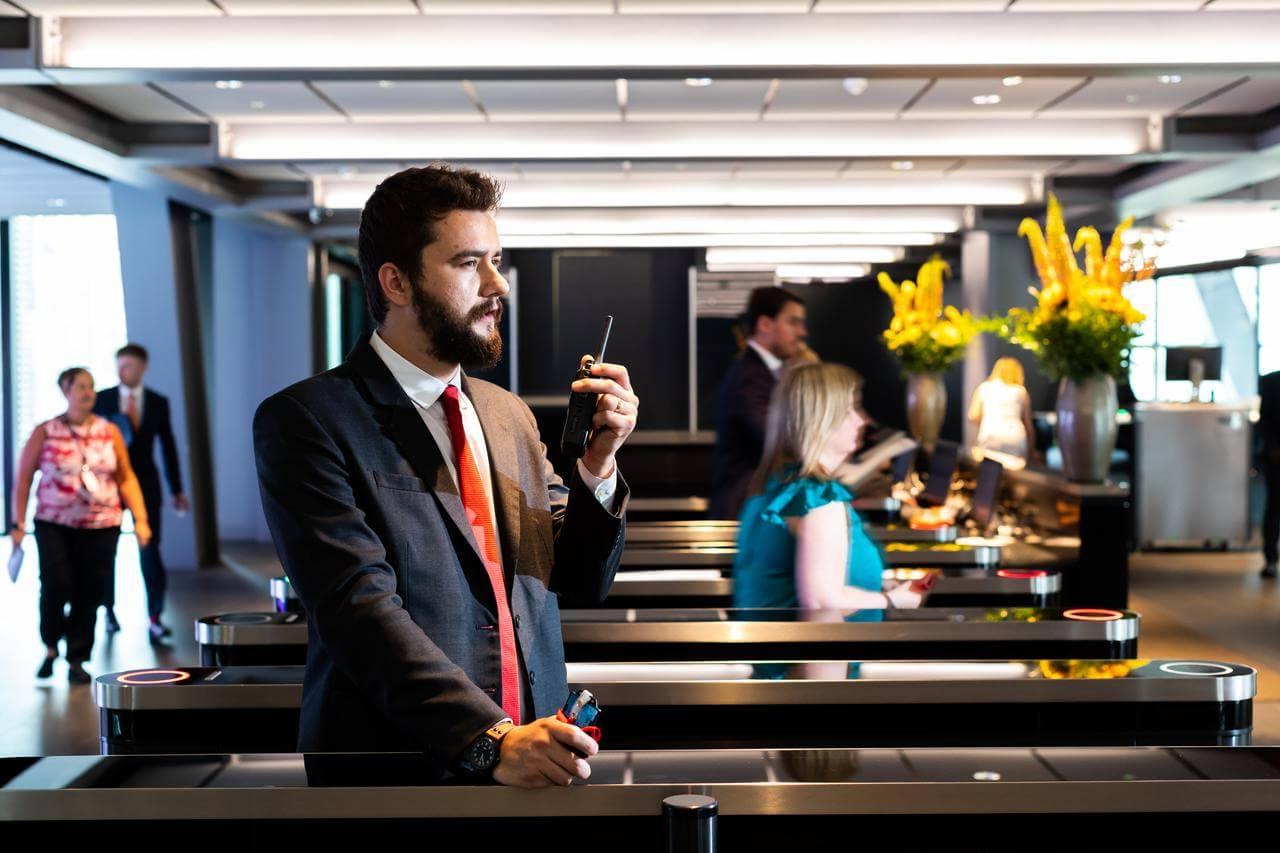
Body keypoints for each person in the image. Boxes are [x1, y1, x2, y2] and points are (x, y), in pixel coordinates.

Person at [254, 164, 636, 788]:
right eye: (468, 264)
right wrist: (490, 741)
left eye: (497, 259)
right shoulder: (308, 420)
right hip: (396, 770)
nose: (497, 285)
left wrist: (598, 464)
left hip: (537, 752)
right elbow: (360, 611)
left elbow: (577, 577)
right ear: (396, 282)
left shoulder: (507, 415)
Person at [732, 361, 923, 613]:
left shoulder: (779, 484)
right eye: (849, 411)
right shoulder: (816, 497)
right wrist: (894, 600)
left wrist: (875, 589)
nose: (861, 420)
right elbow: (823, 602)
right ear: (819, 422)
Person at [9, 368, 151, 683]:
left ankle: (77, 658)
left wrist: (140, 520)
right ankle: (50, 646)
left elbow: (125, 477)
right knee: (56, 585)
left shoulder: (109, 430)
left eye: (91, 387)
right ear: (65, 391)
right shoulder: (46, 431)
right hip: (54, 523)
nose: (88, 393)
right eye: (81, 387)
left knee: (91, 591)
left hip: (102, 523)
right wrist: (17, 522)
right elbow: (23, 480)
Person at [93, 343, 188, 641]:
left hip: (146, 483)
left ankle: (155, 616)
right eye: (120, 365)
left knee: (150, 549)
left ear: (143, 367)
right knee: (106, 550)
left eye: (129, 365)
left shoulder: (158, 402)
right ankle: (108, 611)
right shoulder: (101, 399)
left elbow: (168, 446)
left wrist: (177, 489)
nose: (124, 370)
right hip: (108, 484)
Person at [710, 286, 807, 520]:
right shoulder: (750, 377)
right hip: (744, 512)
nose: (802, 332)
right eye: (793, 322)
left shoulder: (764, 373)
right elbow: (777, 442)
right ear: (764, 324)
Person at [967, 357, 1035, 463]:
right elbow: (1028, 425)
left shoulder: (984, 387)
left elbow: (973, 415)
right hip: (1015, 438)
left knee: (990, 473)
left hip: (990, 435)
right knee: (1014, 477)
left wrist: (988, 421)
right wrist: (1032, 450)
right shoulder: (1021, 391)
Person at [1260, 370, 1279, 579]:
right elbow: (1264, 420)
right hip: (1277, 457)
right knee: (1274, 508)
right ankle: (1271, 560)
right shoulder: (1271, 381)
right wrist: (1272, 447)